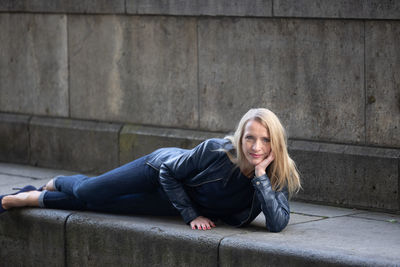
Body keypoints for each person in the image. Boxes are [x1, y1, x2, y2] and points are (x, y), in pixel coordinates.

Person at [0, 108, 301, 232]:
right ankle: (56, 182)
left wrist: (261, 177)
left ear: (275, 143)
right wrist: (191, 215)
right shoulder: (216, 150)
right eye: (250, 137)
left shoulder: (275, 175)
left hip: (172, 199)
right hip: (157, 169)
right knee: (90, 190)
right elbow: (168, 172)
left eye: (265, 140)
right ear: (240, 136)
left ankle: (30, 199)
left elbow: (277, 223)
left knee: (106, 207)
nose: (256, 147)